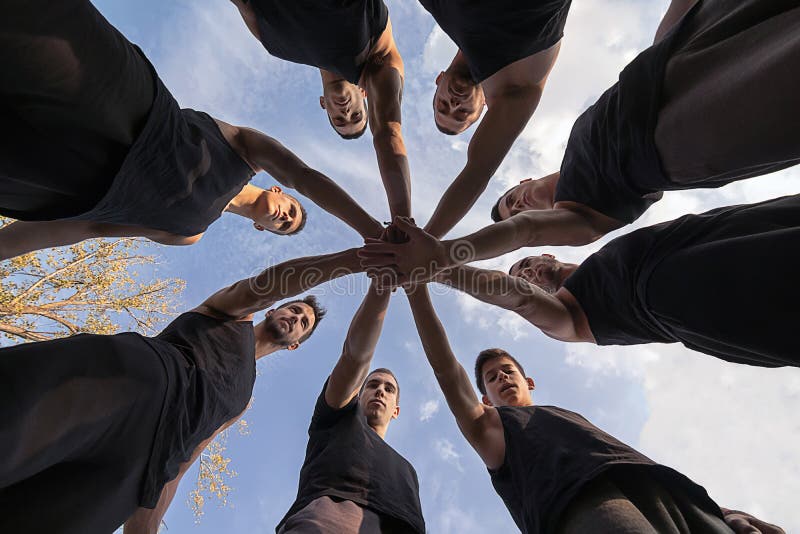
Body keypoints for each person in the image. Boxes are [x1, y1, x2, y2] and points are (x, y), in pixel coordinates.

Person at [360, 0, 800, 278]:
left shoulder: (580, 142)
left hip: (679, 52)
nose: (520, 205)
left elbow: (657, 53)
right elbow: (519, 226)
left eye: (511, 198)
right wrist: (432, 247)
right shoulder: (582, 206)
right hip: (689, 129)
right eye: (514, 209)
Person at [0, 247, 364, 534]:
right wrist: (350, 261)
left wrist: (146, 526)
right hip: (134, 383)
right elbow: (270, 282)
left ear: (296, 344)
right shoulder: (233, 313)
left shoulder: (242, 399)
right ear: (273, 309)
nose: (296, 318)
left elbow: (184, 462)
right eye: (295, 308)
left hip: (138, 471)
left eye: (303, 323)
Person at [0, 0, 382, 261]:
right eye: (292, 211)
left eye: (284, 226)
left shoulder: (187, 234)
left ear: (263, 229)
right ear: (279, 190)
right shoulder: (247, 152)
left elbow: (91, 227)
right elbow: (305, 175)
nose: (285, 217)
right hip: (121, 103)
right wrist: (370, 230)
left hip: (65, 179)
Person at [406, 286, 786, 533]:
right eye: (492, 377)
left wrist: (721, 511)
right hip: (587, 510)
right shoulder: (490, 428)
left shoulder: (570, 418)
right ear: (486, 397)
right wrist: (416, 288)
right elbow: (445, 368)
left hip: (672, 498)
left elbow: (630, 459)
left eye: (508, 370)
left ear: (529, 381)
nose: (502, 377)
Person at [398, 194, 800, 368]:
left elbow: (529, 226)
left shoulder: (602, 254)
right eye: (522, 277)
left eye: (524, 265)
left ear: (546, 254)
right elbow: (516, 298)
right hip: (684, 290)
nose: (525, 274)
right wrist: (436, 265)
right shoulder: (568, 318)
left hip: (714, 230)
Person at [230, 0, 411, 218]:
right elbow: (387, 133)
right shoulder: (374, 58)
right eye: (356, 114)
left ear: (324, 104)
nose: (346, 113)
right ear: (365, 94)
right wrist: (403, 220)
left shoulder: (277, 45)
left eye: (339, 120)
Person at [277, 283, 425, 533]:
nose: (380, 390)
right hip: (330, 520)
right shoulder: (337, 417)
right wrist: (383, 284)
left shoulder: (407, 470)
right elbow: (354, 357)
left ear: (396, 410)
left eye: (389, 389)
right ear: (358, 394)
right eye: (373, 384)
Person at [418, 0, 573, 237]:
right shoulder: (513, 88)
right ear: (485, 105)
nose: (454, 104)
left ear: (439, 80)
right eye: (462, 113)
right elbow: (478, 170)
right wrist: (428, 238)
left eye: (442, 105)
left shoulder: (438, 8)